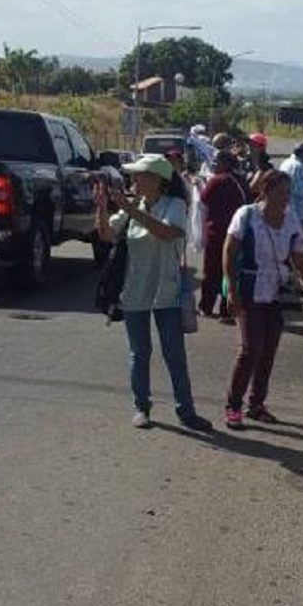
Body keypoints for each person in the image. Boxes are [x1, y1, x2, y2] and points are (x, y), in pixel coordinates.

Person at [94, 154, 211, 433]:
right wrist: (101, 209)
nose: (133, 181)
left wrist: (130, 210)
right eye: (133, 175)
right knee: (139, 353)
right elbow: (107, 235)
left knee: (174, 355)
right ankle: (141, 407)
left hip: (166, 292)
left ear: (158, 180)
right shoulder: (134, 205)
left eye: (139, 176)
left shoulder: (175, 204)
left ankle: (186, 411)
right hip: (135, 291)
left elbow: (167, 233)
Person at [222, 170, 303, 429]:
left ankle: (256, 404)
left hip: (278, 291)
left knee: (268, 352)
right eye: (280, 192)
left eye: (288, 193)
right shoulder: (246, 215)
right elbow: (229, 251)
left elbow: (299, 256)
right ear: (265, 191)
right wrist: (232, 290)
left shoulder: (290, 219)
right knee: (249, 350)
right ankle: (233, 406)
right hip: (250, 288)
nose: (285, 198)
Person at [199, 150, 250, 321]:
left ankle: (206, 306)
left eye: (217, 162)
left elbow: (203, 199)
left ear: (226, 163)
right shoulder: (241, 180)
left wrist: (197, 184)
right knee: (229, 272)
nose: (214, 165)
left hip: (217, 233)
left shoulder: (217, 181)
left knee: (211, 272)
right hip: (237, 233)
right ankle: (226, 310)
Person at [279, 140, 303, 234]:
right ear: (301, 152)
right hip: (297, 215)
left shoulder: (285, 163)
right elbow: (302, 192)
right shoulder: (298, 166)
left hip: (285, 212)